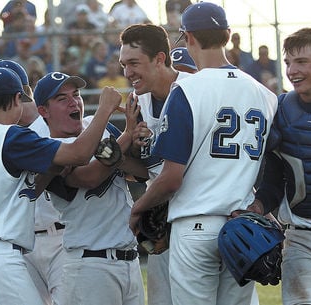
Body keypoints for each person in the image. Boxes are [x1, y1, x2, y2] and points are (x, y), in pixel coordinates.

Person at [128, 3, 278, 305]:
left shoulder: (185, 90)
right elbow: (275, 168)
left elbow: (171, 178)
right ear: (228, 35)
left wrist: (138, 208)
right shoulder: (266, 94)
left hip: (195, 224)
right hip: (243, 224)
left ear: (188, 37)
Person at [0, 65, 122, 305]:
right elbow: (79, 154)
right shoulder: (12, 136)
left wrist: (50, 169)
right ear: (16, 98)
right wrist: (104, 109)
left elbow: (16, 190)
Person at [232, 27, 311, 305]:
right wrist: (257, 207)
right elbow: (274, 179)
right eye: (288, 62)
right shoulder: (278, 111)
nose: (292, 70)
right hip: (303, 241)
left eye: (301, 61)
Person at [34, 71, 147, 305]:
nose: (73, 102)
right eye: (61, 99)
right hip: (90, 265)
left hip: (130, 259)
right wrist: (122, 130)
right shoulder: (47, 148)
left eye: (76, 94)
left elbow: (140, 173)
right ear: (43, 111)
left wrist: (132, 141)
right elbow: (90, 178)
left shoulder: (100, 128)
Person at [119, 23, 194, 305]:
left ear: (160, 58)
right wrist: (127, 149)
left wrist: (140, 208)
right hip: (163, 218)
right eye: (124, 64)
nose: (127, 72)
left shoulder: (192, 90)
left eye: (134, 63)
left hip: (199, 213)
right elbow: (143, 173)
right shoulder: (138, 100)